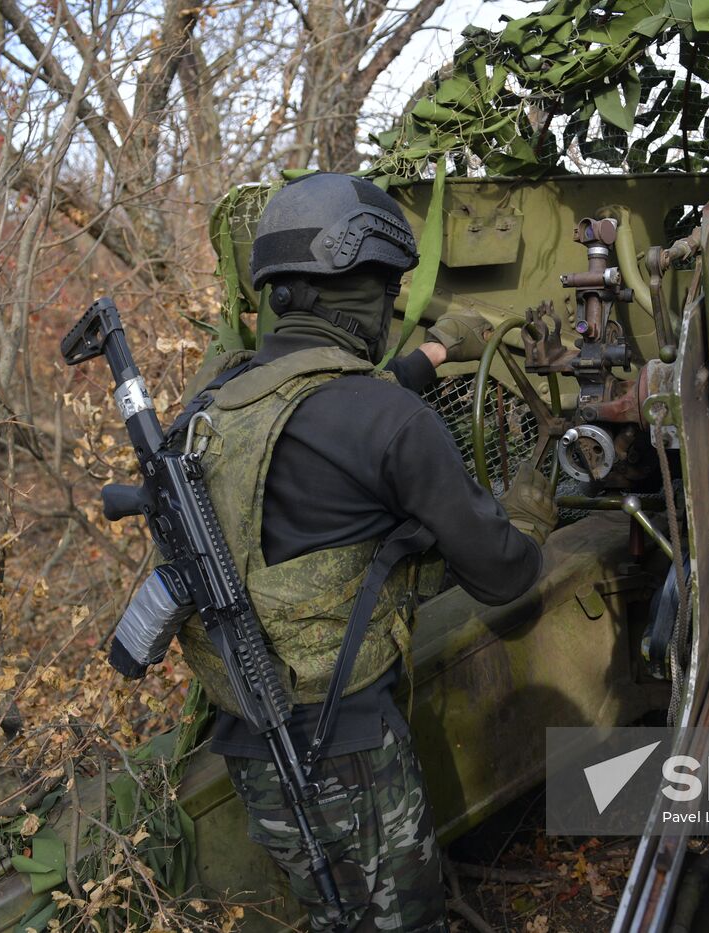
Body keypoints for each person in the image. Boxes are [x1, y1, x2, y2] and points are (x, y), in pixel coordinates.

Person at [169, 172, 558, 932]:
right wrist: (530, 516)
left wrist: (438, 352)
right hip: (348, 752)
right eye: (386, 293)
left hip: (252, 740)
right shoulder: (387, 420)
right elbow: (502, 572)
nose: (390, 311)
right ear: (359, 292)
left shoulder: (215, 402)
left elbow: (326, 408)